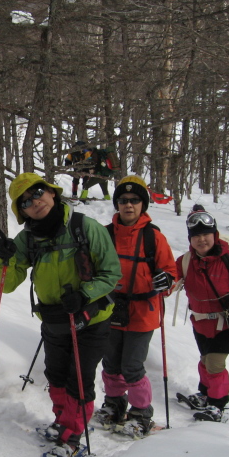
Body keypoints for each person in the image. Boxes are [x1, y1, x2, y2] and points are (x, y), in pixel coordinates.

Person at [0, 172, 121, 457]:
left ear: (51, 193)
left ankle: (73, 435)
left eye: (38, 192)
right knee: (56, 376)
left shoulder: (84, 228)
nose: (34, 202)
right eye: (25, 201)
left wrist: (85, 293)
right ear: (21, 211)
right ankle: (63, 420)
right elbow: (6, 284)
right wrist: (5, 258)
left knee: (78, 379)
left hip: (92, 319)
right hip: (55, 321)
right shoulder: (27, 239)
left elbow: (112, 273)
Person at [97, 176, 177, 437]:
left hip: (143, 312)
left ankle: (141, 413)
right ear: (117, 204)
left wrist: (167, 280)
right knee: (111, 363)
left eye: (134, 200)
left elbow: (170, 273)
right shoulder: (105, 234)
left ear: (143, 204)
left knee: (132, 365)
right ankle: (113, 405)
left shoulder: (154, 237)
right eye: (123, 200)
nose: (128, 205)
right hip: (110, 309)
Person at [175, 204, 229, 422]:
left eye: (206, 235)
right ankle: (205, 394)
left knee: (214, 362)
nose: (202, 240)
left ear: (215, 235)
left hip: (227, 321)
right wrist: (163, 284)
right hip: (200, 321)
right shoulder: (185, 261)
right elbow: (171, 279)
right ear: (190, 238)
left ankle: (217, 404)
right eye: (196, 236)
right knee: (205, 359)